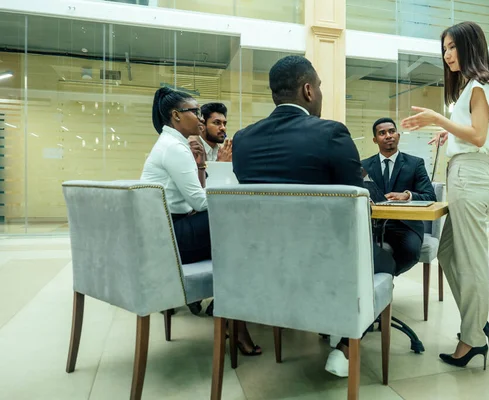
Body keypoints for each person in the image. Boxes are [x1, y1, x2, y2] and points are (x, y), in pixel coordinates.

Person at [232, 55, 395, 377]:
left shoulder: (243, 140)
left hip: (263, 266)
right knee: (392, 255)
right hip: (325, 266)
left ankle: (337, 324)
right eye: (319, 87)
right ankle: (348, 338)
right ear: (308, 90)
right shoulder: (331, 133)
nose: (320, 94)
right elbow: (357, 205)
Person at [401, 21, 489, 370]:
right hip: (462, 172)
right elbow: (471, 133)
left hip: (471, 175)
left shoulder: (482, 82)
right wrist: (448, 136)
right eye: (444, 49)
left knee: (472, 260)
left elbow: (478, 135)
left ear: (469, 45)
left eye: (452, 47)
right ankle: (477, 320)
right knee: (446, 251)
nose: (447, 55)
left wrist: (439, 121)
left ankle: (473, 337)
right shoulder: (471, 87)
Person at [141, 87, 261, 356]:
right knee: (238, 235)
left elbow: (187, 200)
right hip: (172, 237)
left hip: (166, 232)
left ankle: (231, 315)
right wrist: (236, 200)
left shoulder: (171, 144)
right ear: (175, 116)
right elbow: (200, 201)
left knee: (233, 238)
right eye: (193, 111)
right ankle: (234, 317)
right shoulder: (175, 148)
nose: (198, 116)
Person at [362, 117, 436, 275]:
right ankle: (382, 280)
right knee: (360, 252)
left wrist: (407, 195)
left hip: (406, 225)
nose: (388, 135)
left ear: (398, 135)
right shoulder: (364, 166)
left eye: (391, 131)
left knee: (410, 252)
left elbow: (430, 196)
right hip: (373, 226)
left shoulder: (415, 164)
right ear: (375, 140)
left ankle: (386, 277)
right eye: (382, 133)